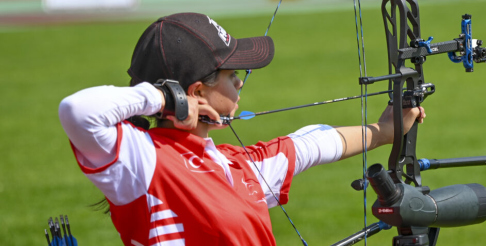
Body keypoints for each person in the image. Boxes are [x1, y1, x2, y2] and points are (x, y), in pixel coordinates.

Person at [59, 12, 425, 246]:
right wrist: (162, 98)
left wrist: (383, 131)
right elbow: (78, 111)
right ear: (197, 91)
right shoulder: (141, 161)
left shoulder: (237, 164)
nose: (240, 83)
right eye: (232, 75)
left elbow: (313, 143)